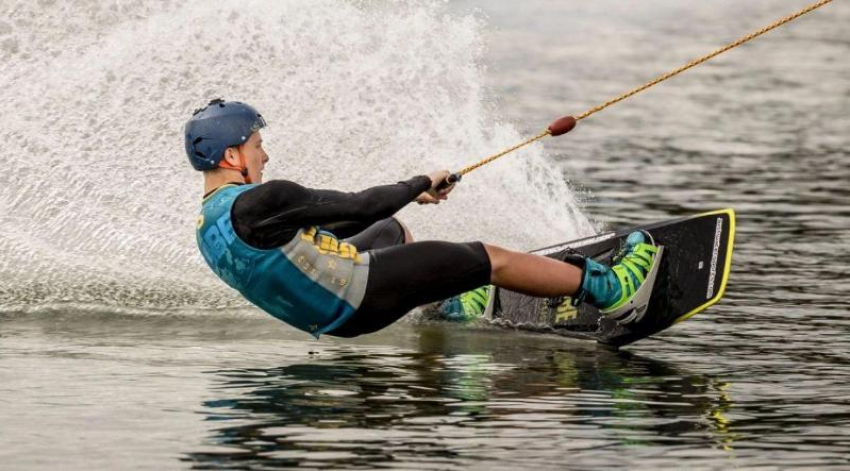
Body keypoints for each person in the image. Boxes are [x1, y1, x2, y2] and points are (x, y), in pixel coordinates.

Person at [186, 99, 662, 339]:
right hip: (360, 298)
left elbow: (318, 242)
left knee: (390, 233)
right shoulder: (263, 200)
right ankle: (611, 290)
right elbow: (358, 205)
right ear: (232, 155)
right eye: (256, 146)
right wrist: (420, 182)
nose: (264, 155)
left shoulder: (211, 227)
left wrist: (408, 201)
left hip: (331, 318)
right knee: (486, 258)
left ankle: (446, 306)